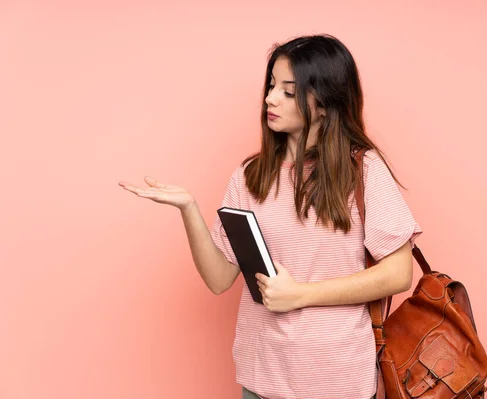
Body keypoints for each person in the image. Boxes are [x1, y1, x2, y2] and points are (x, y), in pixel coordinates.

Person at [119, 34, 421, 399]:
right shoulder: (250, 176)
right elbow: (218, 279)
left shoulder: (364, 171)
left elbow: (399, 272)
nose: (270, 98)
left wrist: (300, 295)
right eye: (272, 85)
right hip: (262, 381)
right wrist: (189, 209)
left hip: (336, 382)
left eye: (288, 92)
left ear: (324, 103)